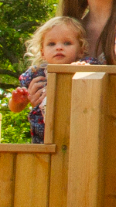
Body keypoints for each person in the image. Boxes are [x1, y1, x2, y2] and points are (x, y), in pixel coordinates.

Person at [10, 16, 84, 144]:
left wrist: (82, 70)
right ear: (42, 52)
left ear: (81, 50)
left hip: (76, 132)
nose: (59, 47)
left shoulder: (83, 65)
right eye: (51, 44)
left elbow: (95, 75)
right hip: (42, 137)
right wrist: (17, 101)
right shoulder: (35, 73)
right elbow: (15, 108)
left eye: (67, 43)